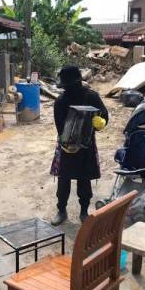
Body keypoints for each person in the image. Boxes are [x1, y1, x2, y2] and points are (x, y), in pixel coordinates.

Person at [51, 65, 109, 226]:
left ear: (78, 83)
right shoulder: (61, 101)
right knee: (64, 180)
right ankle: (61, 210)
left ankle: (84, 211)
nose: (68, 89)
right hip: (66, 145)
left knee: (84, 180)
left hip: (86, 145)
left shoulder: (92, 97)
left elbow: (104, 115)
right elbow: (59, 126)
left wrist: (100, 122)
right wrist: (68, 141)